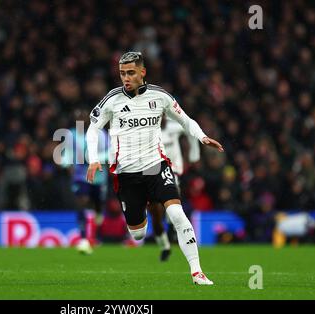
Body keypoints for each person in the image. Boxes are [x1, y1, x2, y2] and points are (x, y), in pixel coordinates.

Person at [86, 52, 224, 285]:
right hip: (126, 174)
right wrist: (92, 158)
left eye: (130, 72)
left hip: (156, 166)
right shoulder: (112, 100)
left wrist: (201, 137)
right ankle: (145, 210)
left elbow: (186, 120)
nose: (126, 78)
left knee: (177, 214)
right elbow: (92, 129)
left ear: (142, 72)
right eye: (122, 73)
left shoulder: (160, 96)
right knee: (137, 233)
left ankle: (197, 271)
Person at [147, 115, 201, 262]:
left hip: (173, 170)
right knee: (156, 215)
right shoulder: (147, 130)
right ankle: (165, 246)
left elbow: (191, 128)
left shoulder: (174, 126)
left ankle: (172, 230)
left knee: (173, 200)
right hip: (152, 173)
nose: (162, 119)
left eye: (163, 115)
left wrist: (194, 155)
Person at [61, 109, 109, 254]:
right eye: (77, 119)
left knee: (98, 207)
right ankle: (83, 238)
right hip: (80, 176)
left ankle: (96, 235)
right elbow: (67, 154)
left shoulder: (100, 134)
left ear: (89, 120)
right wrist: (65, 163)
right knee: (82, 200)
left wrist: (93, 158)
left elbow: (110, 153)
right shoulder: (71, 134)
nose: (80, 122)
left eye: (82, 118)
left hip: (98, 177)